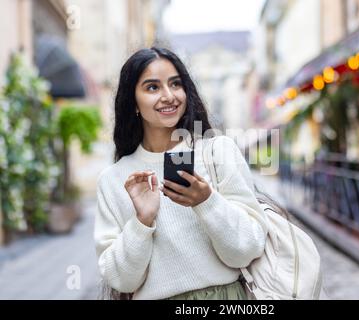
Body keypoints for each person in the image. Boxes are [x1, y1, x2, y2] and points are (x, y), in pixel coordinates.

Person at [94, 47, 268, 300]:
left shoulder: (217, 152)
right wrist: (142, 222)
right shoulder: (114, 180)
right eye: (152, 87)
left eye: (175, 84)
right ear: (133, 102)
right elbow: (122, 280)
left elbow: (247, 249)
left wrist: (207, 202)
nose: (169, 96)